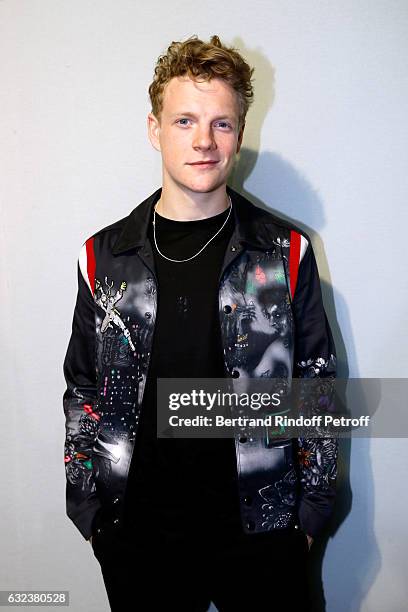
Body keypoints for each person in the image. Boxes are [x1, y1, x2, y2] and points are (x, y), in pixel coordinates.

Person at [63, 34, 338, 611]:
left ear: (240, 133)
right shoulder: (103, 256)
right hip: (139, 534)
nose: (204, 142)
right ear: (153, 128)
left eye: (222, 123)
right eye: (185, 120)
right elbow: (83, 388)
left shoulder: (284, 252)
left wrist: (310, 514)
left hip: (263, 535)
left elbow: (317, 385)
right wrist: (91, 512)